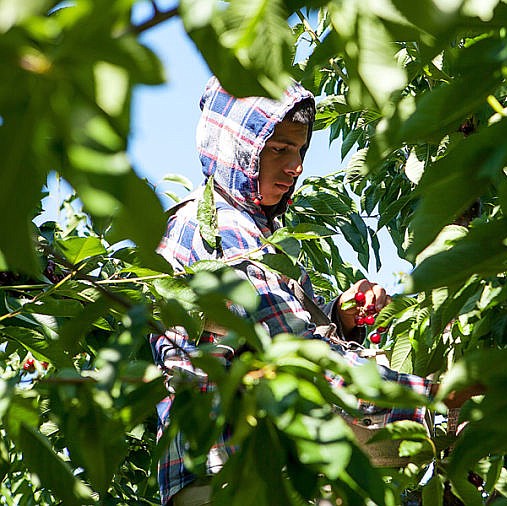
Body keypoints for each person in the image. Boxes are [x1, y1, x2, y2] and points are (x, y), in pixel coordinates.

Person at [150, 77, 455, 506]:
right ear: (237, 149)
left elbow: (265, 340)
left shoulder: (259, 234)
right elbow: (303, 360)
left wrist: (339, 318)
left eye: (300, 151)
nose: (294, 166)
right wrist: (434, 397)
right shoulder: (221, 232)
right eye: (278, 148)